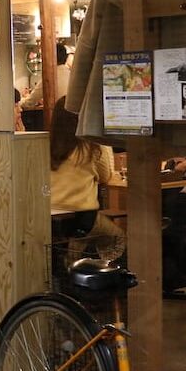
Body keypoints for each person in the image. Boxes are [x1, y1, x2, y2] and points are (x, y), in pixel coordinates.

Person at [48, 97, 122, 260]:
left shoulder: (46, 146)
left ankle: (72, 262)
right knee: (116, 238)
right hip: (83, 217)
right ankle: (99, 269)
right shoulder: (92, 147)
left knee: (72, 244)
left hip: (50, 216)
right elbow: (106, 176)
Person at [21, 42, 72, 109]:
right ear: (66, 57)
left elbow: (29, 102)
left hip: (56, 113)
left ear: (49, 58)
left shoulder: (49, 77)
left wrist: (18, 102)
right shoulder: (70, 74)